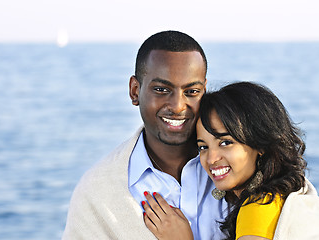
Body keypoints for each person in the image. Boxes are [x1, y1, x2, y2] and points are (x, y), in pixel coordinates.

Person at [62, 31, 227, 240]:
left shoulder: (239, 168)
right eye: (161, 89)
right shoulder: (97, 192)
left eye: (192, 92)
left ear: (204, 90)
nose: (177, 106)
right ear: (134, 91)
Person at [142, 81, 319, 240]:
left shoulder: (258, 209)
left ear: (259, 144)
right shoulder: (280, 195)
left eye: (225, 143)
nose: (211, 159)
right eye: (203, 147)